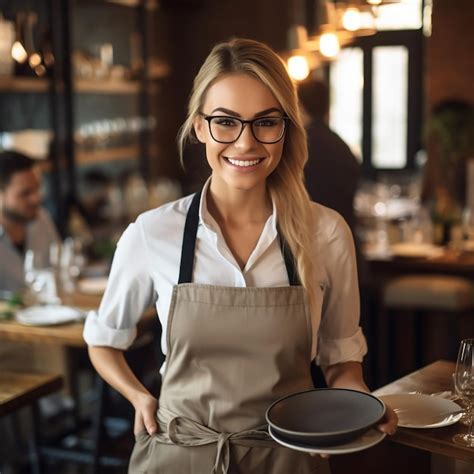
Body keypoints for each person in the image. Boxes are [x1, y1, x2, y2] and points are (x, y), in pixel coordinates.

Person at [84, 38, 397, 473]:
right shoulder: (153, 232)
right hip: (179, 456)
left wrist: (359, 405)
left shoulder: (325, 233)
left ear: (286, 128)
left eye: (266, 122)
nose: (246, 143)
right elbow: (103, 339)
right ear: (199, 127)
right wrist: (139, 395)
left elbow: (341, 358)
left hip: (289, 459)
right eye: (226, 122)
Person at [297, 78, 360, 235]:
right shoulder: (340, 145)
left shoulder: (300, 147)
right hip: (344, 233)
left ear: (300, 105)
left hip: (315, 236)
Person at [0, 150, 60, 293]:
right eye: (25, 193)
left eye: (37, 188)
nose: (36, 199)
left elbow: (60, 271)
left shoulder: (42, 219)